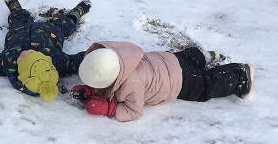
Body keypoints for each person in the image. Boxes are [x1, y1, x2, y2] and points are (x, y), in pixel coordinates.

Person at [71, 41, 255, 122]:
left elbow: (134, 111)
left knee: (205, 86)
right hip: (166, 60)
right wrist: (90, 91)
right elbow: (102, 71)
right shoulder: (115, 54)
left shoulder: (131, 85)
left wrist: (110, 109)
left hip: (177, 81)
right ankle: (203, 57)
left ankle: (240, 75)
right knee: (186, 60)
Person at [0, 0, 91, 101]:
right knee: (64, 24)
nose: (26, 52)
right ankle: (77, 13)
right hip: (51, 32)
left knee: (18, 18)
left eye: (23, 58)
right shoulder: (57, 61)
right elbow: (78, 62)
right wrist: (96, 56)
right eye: (32, 53)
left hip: (19, 29)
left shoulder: (7, 63)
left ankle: (15, 7)